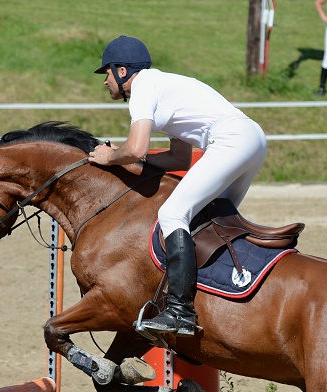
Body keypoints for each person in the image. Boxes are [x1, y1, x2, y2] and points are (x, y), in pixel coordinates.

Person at [88, 35, 268, 338]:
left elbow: (136, 147)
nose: (105, 81)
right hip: (252, 139)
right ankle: (224, 295)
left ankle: (180, 312)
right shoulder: (164, 85)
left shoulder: (143, 85)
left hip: (230, 140)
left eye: (106, 72)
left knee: (172, 214)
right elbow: (179, 157)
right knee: (211, 220)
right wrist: (137, 165)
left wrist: (111, 157)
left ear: (122, 71)